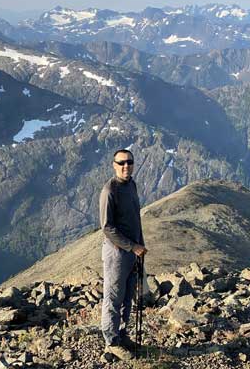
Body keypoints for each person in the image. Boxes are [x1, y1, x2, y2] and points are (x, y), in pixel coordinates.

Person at [100, 149, 147, 361]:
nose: (126, 166)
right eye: (121, 163)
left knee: (127, 297)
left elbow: (136, 220)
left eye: (129, 162)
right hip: (117, 254)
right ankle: (111, 343)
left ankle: (122, 335)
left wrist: (140, 246)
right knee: (113, 298)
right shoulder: (110, 190)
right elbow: (107, 227)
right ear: (114, 165)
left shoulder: (132, 185)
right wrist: (133, 247)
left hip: (133, 252)